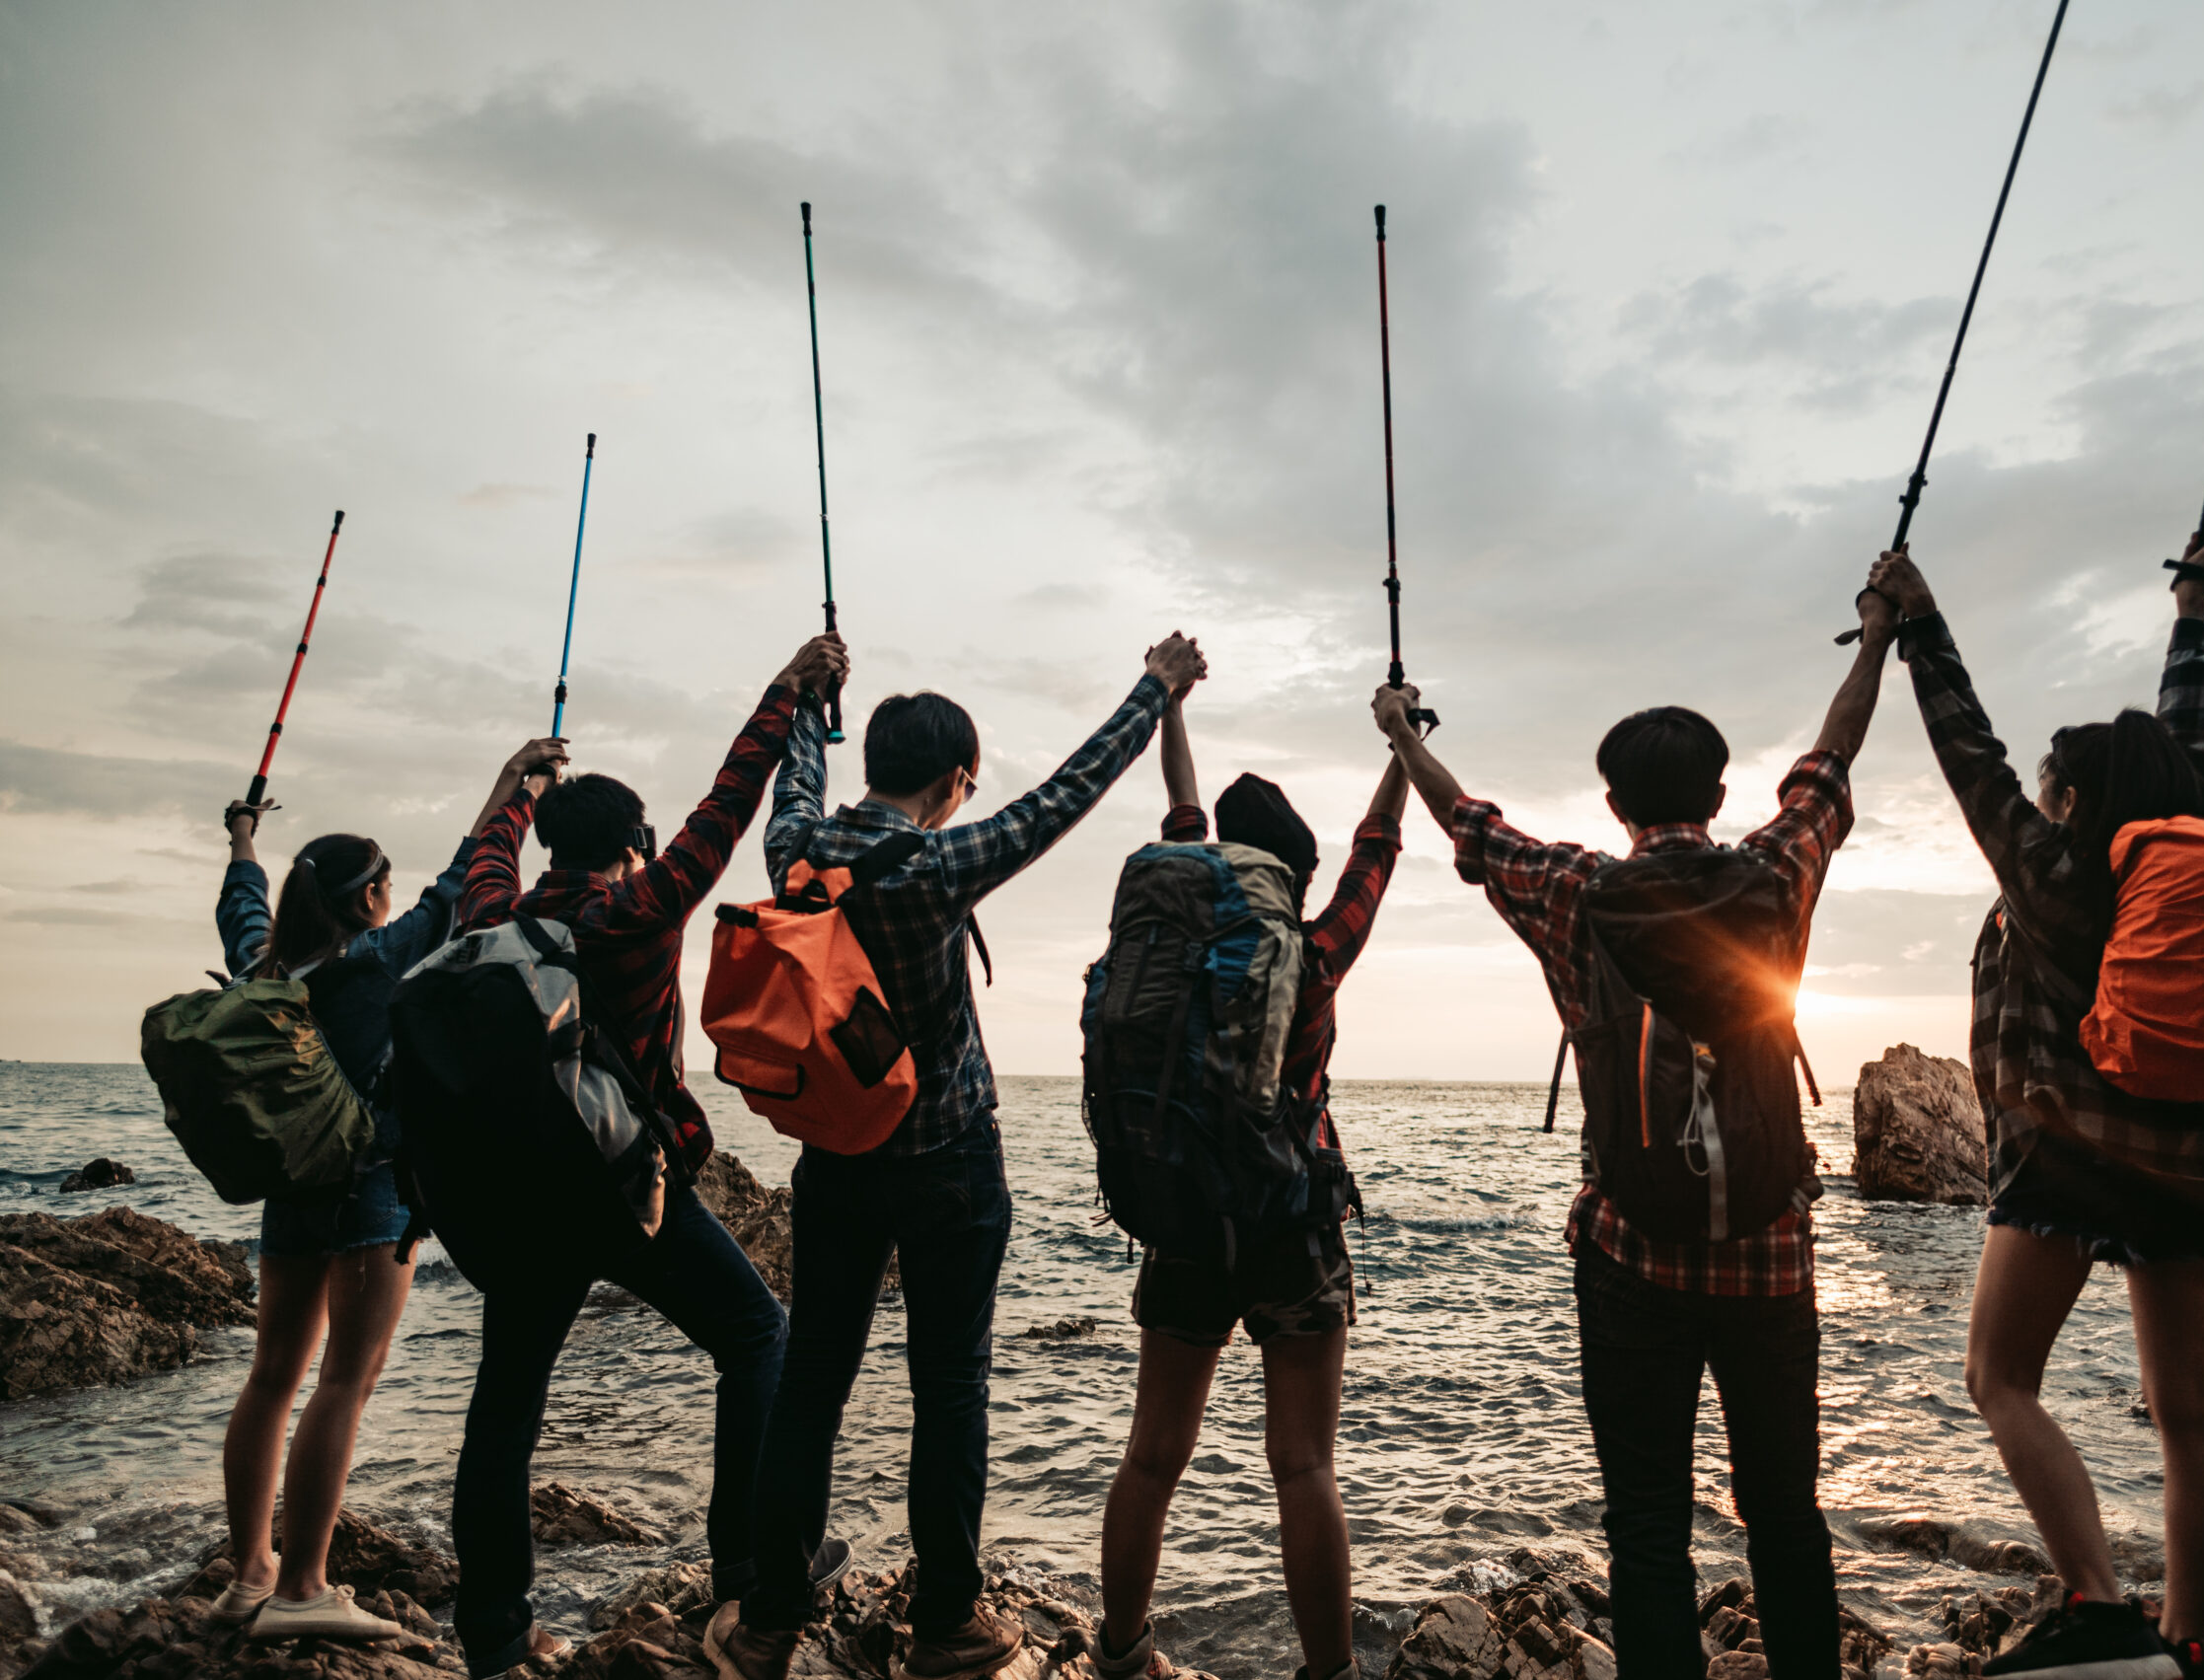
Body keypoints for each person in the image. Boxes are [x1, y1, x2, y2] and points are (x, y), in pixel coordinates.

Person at [1372, 593, 1898, 1680]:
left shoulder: (1575, 890)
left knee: (1647, 1519)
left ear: (1613, 803)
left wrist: (1400, 732)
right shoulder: (1779, 870)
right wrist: (1878, 636)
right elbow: (1831, 760)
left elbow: (1466, 821)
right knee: (1787, 1514)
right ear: (1717, 795)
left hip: (1628, 1254)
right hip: (1770, 1255)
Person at [702, 632, 1208, 1680]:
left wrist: (808, 699)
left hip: (836, 1157)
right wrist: (1150, 693)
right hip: (948, 1165)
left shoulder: (795, 848)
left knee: (809, 1383)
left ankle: (765, 1624)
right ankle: (945, 1626)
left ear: (874, 763)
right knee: (950, 1386)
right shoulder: (941, 863)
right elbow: (1065, 795)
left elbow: (797, 780)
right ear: (952, 781)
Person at [450, 633, 848, 1678]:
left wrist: (514, 784)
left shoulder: (493, 916)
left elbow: (488, 849)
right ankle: (746, 1575)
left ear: (546, 845)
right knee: (756, 1334)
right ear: (633, 843)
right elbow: (729, 800)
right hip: (631, 1189)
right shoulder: (636, 913)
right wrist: (786, 690)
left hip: (519, 1201)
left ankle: (494, 1631)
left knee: (506, 1401)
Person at [1870, 540, 2204, 1680]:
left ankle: (2098, 1601)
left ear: (2068, 798)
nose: (2033, 796)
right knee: (2186, 1413)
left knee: (1998, 1375)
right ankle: (2181, 1641)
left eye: (2049, 786)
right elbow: (2192, 737)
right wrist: (2192, 620)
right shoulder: (2192, 847)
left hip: (2068, 1158)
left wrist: (1918, 626)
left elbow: (1963, 750)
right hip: (2189, 1159)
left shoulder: (2055, 869)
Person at [1091, 683, 1411, 1680]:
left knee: (1152, 1452)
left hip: (1184, 1208)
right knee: (1304, 1464)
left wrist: (1171, 700)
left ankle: (1122, 1646)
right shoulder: (1311, 953)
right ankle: (1330, 1673)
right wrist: (1401, 743)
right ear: (1292, 876)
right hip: (1292, 1222)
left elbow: (1184, 806)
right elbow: (1377, 848)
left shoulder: (1182, 930)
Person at [210, 739, 560, 1644]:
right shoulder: (376, 961)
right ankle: (303, 1588)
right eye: (384, 881)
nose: (395, 894)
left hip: (290, 1191)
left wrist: (244, 837)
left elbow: (241, 901)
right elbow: (462, 876)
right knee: (344, 1384)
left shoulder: (265, 967)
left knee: (271, 1376)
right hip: (369, 1194)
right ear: (365, 898)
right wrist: (510, 786)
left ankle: (246, 1574)